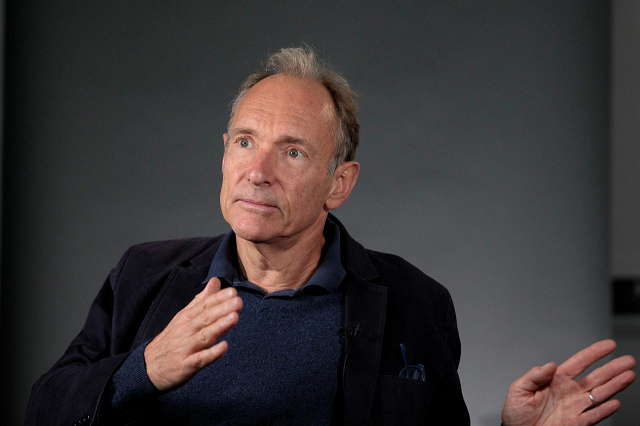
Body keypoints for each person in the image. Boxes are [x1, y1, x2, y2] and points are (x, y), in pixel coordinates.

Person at [26, 47, 635, 426]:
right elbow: (46, 407)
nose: (257, 170)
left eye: (291, 151)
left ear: (338, 183)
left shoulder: (415, 301)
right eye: (244, 141)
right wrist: (145, 368)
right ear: (224, 153)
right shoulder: (144, 276)